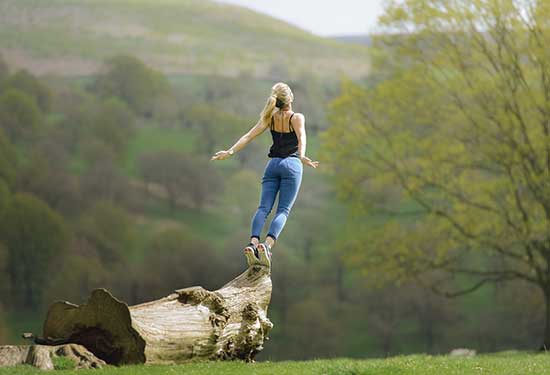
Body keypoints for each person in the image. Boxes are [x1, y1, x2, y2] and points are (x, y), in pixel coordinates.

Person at [211, 82, 319, 268]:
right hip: (291, 165)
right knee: (283, 210)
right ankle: (266, 246)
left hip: (272, 166)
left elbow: (248, 136)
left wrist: (229, 152)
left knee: (263, 208)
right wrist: (301, 156)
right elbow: (302, 137)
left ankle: (252, 244)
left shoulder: (270, 118)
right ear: (290, 98)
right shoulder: (297, 117)